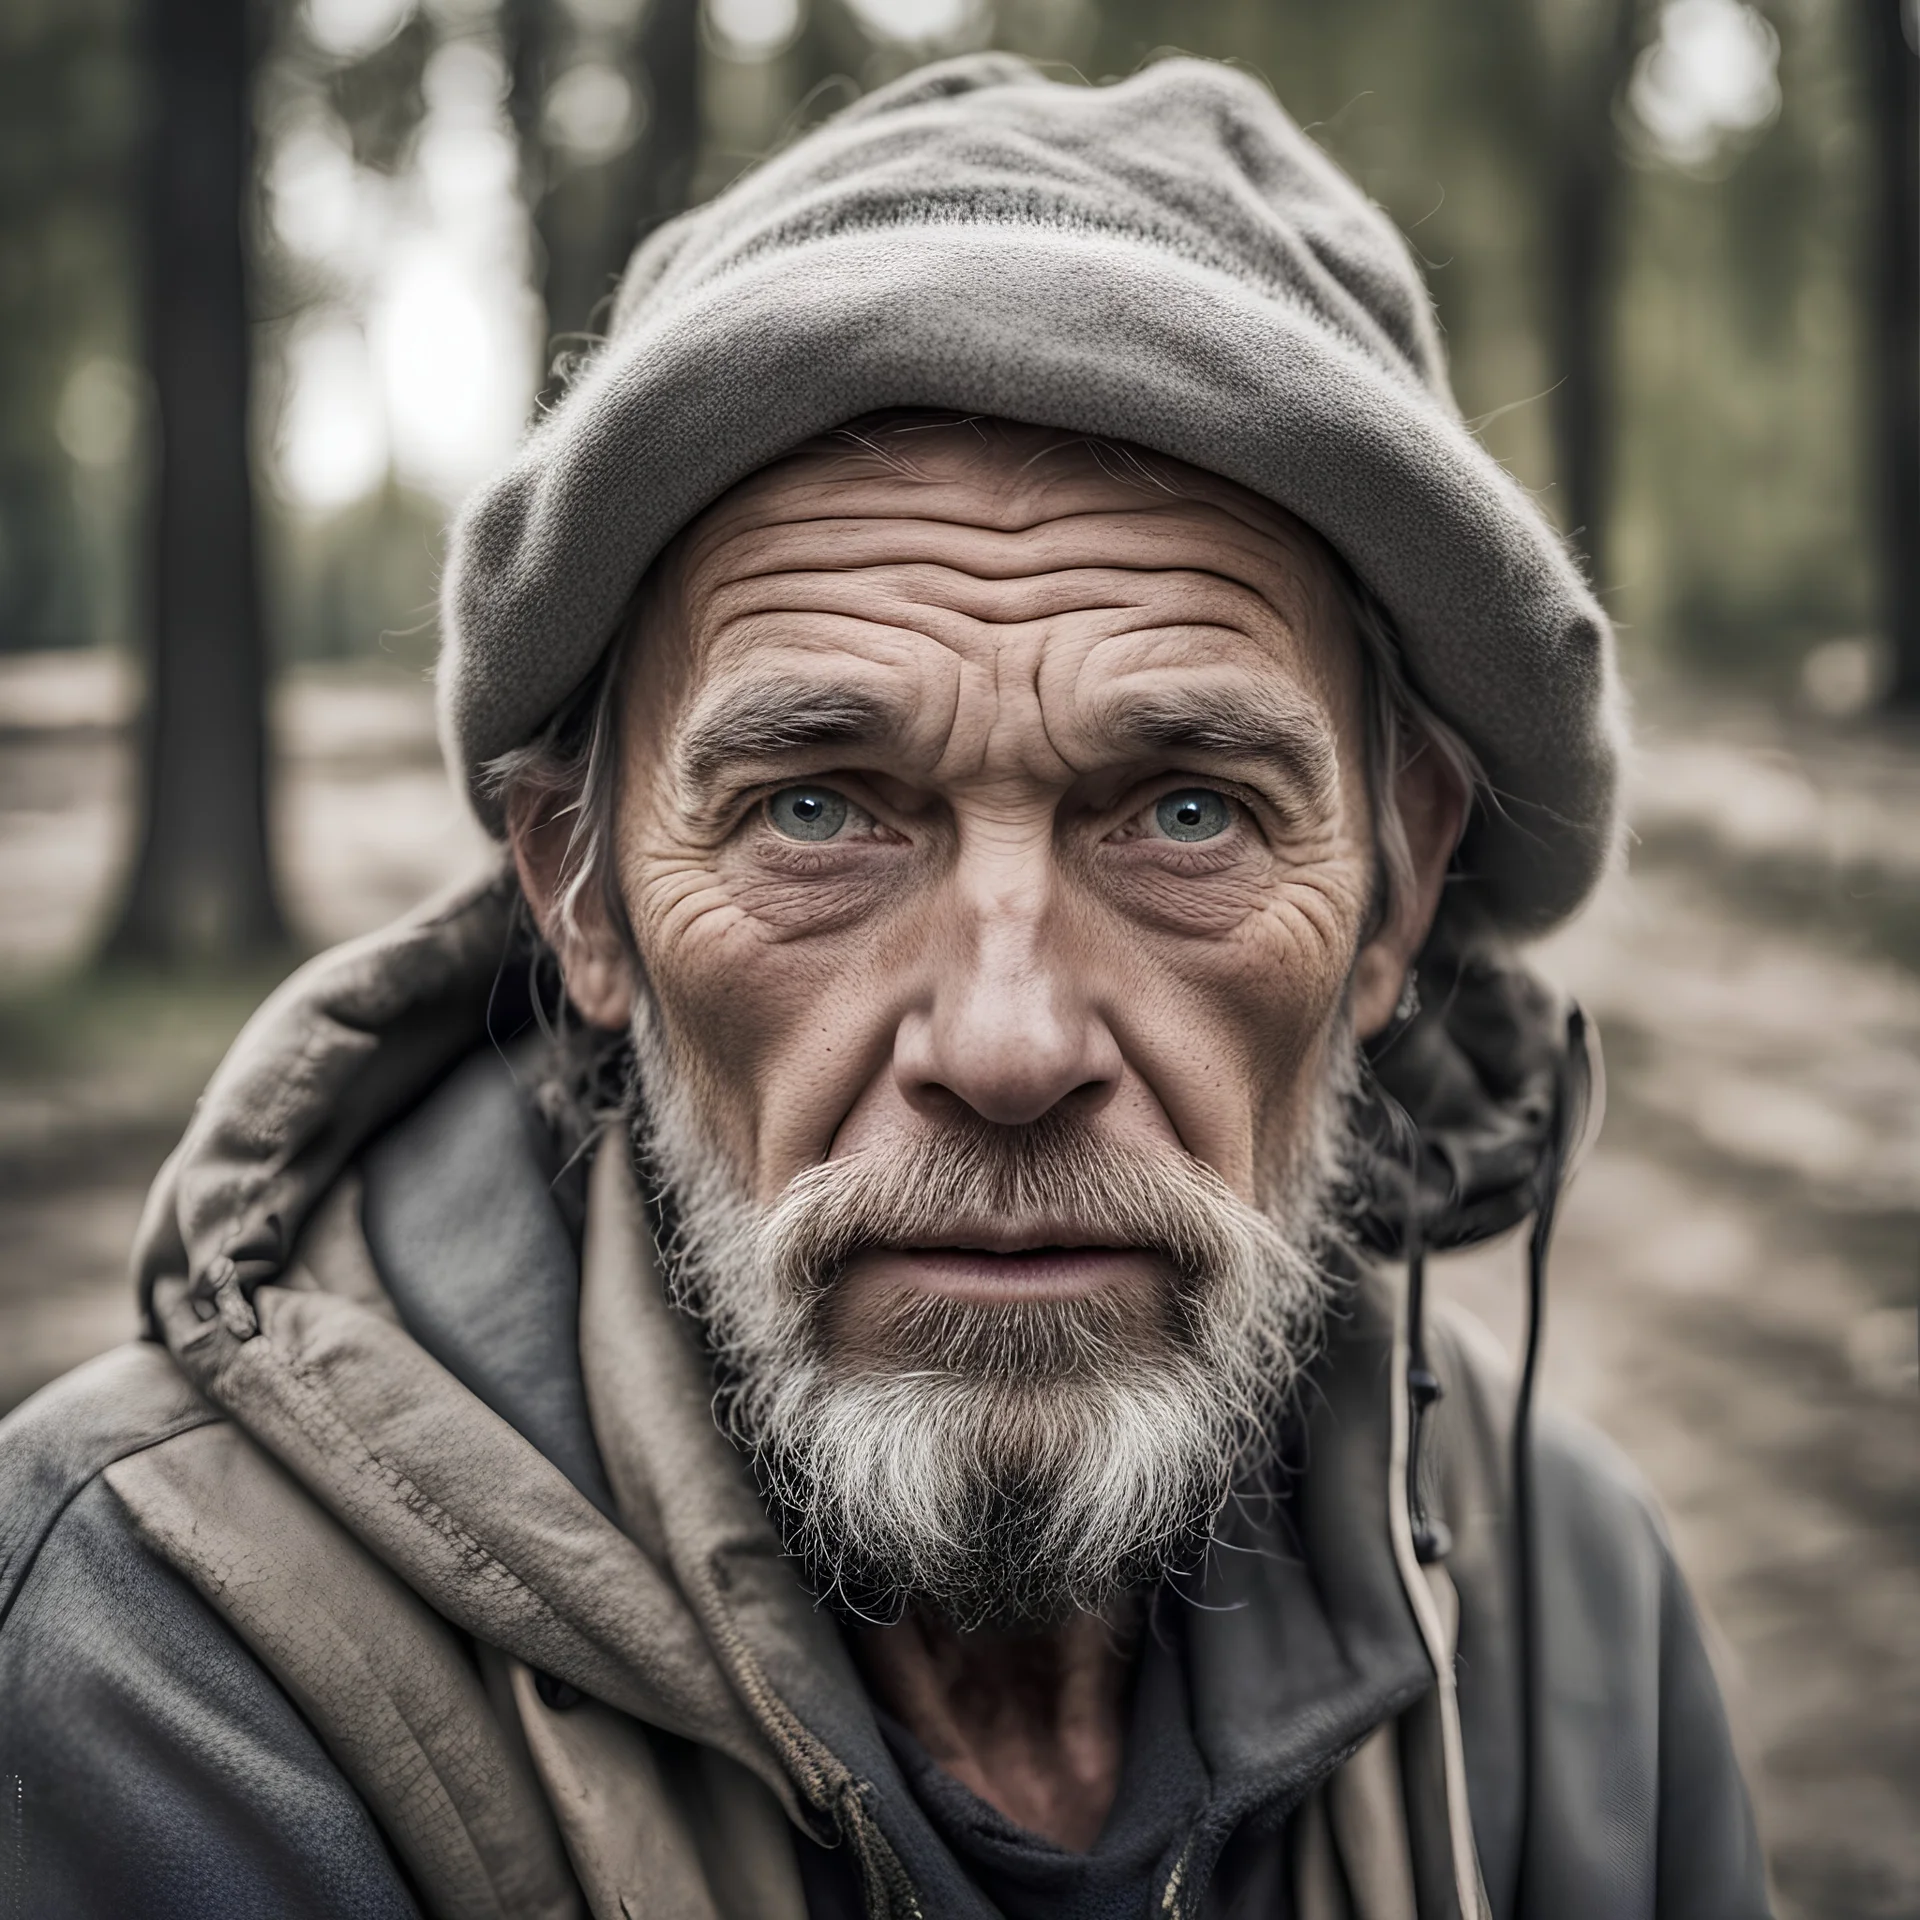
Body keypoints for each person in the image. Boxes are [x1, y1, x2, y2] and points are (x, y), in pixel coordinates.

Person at [0, 52, 1768, 1919]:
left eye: (1185, 810)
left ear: (1395, 892)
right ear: (580, 900)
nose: (1007, 1046)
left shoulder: (1565, 1608)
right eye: (819, 809)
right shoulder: (164, 1668)